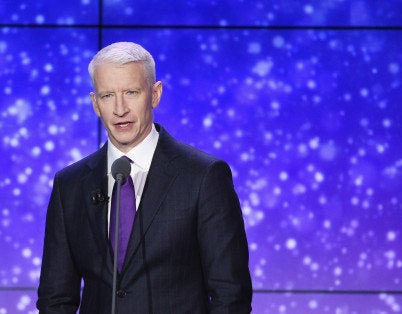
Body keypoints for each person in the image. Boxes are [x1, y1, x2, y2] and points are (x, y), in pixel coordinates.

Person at [36, 41, 252, 313]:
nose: (119, 109)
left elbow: (230, 295)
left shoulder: (204, 177)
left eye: (131, 92)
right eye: (107, 96)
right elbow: (55, 299)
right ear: (95, 103)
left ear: (155, 94)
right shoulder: (70, 184)